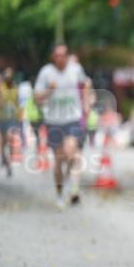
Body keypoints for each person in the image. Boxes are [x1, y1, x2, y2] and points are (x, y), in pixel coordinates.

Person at [35, 45, 92, 208]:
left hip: (72, 118)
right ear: (53, 57)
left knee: (71, 151)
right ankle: (59, 193)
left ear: (67, 56)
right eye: (57, 55)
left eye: (63, 55)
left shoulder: (76, 69)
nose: (61, 58)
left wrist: (86, 104)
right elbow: (37, 97)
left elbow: (86, 83)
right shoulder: (46, 73)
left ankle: (69, 185)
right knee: (59, 159)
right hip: (53, 120)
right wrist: (48, 91)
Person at [0, 67, 21, 177]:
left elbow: (18, 103)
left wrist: (19, 117)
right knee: (1, 145)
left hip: (11, 119)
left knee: (9, 139)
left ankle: (8, 161)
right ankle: (5, 161)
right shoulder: (0, 88)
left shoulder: (16, 88)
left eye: (10, 75)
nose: (8, 77)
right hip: (1, 119)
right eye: (6, 75)